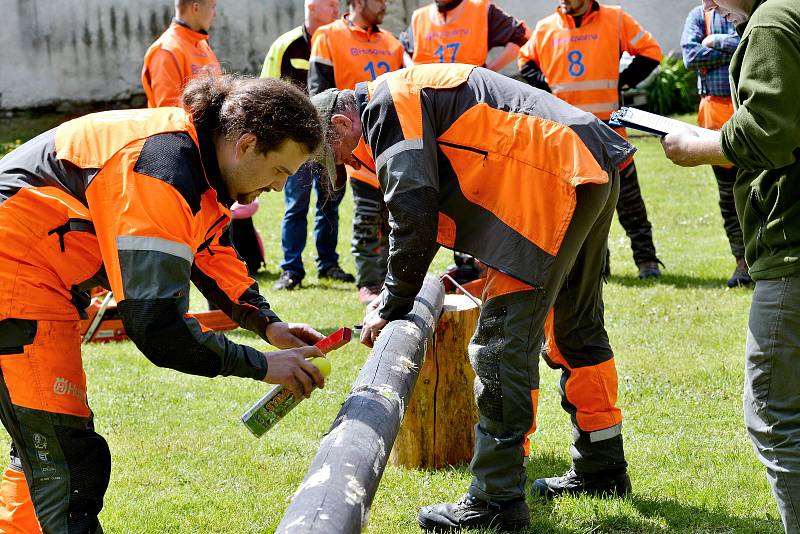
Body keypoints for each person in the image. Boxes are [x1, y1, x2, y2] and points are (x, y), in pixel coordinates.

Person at [0, 74, 335, 531]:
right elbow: (157, 324)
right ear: (247, 144)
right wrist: (262, 365)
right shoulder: (162, 168)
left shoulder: (195, 161)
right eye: (280, 171)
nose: (278, 188)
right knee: (64, 461)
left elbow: (210, 251)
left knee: (46, 449)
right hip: (16, 283)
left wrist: (268, 325)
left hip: (34, 282)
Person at [313, 63, 636, 531]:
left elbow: (413, 210)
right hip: (581, 163)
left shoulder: (386, 103)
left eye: (335, 153)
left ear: (342, 123)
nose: (343, 163)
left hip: (548, 180)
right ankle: (601, 466)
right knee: (575, 328)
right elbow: (473, 158)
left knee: (501, 346)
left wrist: (391, 302)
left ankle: (495, 500)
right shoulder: (400, 96)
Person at [662, 1, 800, 531]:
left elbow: (769, 131)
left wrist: (703, 146)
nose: (708, 5)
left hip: (791, 247)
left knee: (775, 416)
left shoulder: (771, 20)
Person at [518, 0, 665, 279]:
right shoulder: (546, 27)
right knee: (583, 210)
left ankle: (647, 262)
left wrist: (621, 80)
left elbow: (651, 52)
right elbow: (525, 60)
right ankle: (599, 267)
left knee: (630, 202)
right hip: (569, 139)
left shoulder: (616, 18)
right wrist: (546, 90)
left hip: (610, 133)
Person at [308, 0, 405, 304]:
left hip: (389, 147)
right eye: (380, 1)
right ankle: (369, 282)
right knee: (366, 219)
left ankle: (393, 281)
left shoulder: (392, 43)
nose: (385, 6)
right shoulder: (327, 36)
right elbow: (319, 94)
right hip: (351, 147)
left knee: (394, 219)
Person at [262, 0, 355, 291]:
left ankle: (328, 264)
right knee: (296, 205)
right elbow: (267, 92)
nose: (336, 10)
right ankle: (291, 270)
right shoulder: (286, 45)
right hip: (297, 144)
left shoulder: (341, 41)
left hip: (333, 138)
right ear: (312, 7)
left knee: (330, 203)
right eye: (330, 4)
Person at [681, 2, 751, 287]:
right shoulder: (698, 16)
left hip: (747, 111)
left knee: (759, 190)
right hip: (715, 115)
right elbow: (690, 55)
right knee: (729, 197)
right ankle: (742, 262)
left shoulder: (750, 12)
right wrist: (736, 47)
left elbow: (754, 45)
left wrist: (719, 42)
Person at [400, 0, 531, 72]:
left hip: (468, 98)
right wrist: (412, 70)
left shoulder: (481, 9)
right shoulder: (419, 16)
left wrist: (489, 72)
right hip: (426, 101)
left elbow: (522, 35)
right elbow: (402, 48)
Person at [142, 0, 221, 108]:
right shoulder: (166, 51)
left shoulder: (202, 44)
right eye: (213, 7)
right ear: (196, 8)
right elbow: (169, 114)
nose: (215, 14)